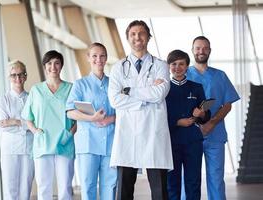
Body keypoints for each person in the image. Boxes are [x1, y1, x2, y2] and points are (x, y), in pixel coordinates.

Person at [108, 20, 173, 200]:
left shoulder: (160, 65)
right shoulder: (118, 68)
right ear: (128, 38)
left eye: (141, 33)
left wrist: (128, 91)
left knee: (160, 190)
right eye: (133, 34)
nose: (137, 37)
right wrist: (146, 96)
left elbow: (159, 93)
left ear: (148, 37)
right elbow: (114, 100)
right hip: (128, 133)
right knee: (124, 190)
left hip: (153, 132)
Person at [186, 36, 240, 200]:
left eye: (204, 48)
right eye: (197, 48)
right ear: (192, 50)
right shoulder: (184, 74)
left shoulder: (220, 76)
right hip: (189, 136)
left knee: (216, 179)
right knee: (188, 180)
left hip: (215, 136)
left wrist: (212, 123)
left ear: (209, 51)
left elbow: (228, 104)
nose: (201, 51)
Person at [22, 50, 76, 200]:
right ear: (45, 66)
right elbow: (28, 117)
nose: (53, 67)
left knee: (65, 186)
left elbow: (77, 116)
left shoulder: (71, 88)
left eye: (57, 63)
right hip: (42, 142)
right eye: (50, 63)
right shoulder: (36, 90)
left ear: (61, 66)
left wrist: (70, 133)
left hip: (64, 142)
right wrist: (35, 131)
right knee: (44, 187)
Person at [66, 42, 117, 200]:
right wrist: (92, 118)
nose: (98, 59)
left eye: (102, 56)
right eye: (94, 56)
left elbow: (124, 111)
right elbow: (70, 112)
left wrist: (111, 118)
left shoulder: (114, 84)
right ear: (88, 58)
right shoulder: (80, 84)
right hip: (88, 144)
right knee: (88, 186)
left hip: (111, 143)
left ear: (106, 58)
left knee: (110, 186)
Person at [166, 50, 210, 200]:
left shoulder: (196, 87)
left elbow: (205, 116)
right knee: (172, 182)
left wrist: (202, 114)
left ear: (187, 66)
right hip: (170, 142)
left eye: (181, 64)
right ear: (168, 66)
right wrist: (177, 122)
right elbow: (158, 117)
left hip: (193, 141)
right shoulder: (163, 89)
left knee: (193, 182)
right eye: (173, 64)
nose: (177, 67)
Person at [0, 60, 34, 200]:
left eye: (20, 74)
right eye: (13, 75)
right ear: (9, 77)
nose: (17, 78)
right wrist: (27, 125)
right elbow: (4, 126)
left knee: (26, 189)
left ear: (25, 76)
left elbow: (37, 124)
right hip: (10, 149)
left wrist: (15, 121)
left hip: (28, 148)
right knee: (10, 189)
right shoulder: (3, 99)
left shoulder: (32, 97)